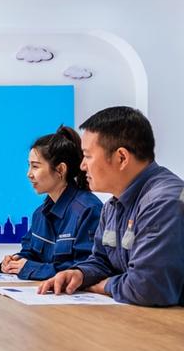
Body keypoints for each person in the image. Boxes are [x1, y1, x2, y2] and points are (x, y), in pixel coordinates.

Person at [38, 107, 184, 306]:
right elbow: (102, 260)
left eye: (88, 156)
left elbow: (149, 287)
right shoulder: (112, 206)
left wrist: (105, 286)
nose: (82, 166)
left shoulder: (164, 202)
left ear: (121, 158)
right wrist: (80, 274)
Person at [0, 126, 102, 280]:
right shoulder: (40, 213)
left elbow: (86, 268)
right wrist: (17, 260)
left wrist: (30, 268)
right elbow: (31, 252)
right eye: (29, 165)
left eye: (35, 166)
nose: (29, 174)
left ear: (60, 169)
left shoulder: (88, 210)